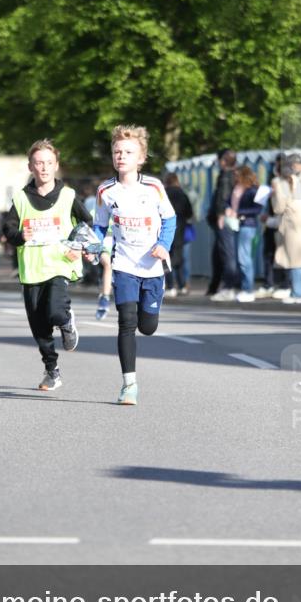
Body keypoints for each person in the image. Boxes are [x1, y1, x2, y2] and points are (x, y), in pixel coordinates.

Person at [93, 125, 176, 406]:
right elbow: (99, 225)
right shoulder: (105, 191)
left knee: (147, 326)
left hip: (152, 267)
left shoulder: (153, 187)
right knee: (126, 322)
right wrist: (94, 247)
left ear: (141, 158)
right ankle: (129, 385)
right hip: (124, 264)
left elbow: (170, 219)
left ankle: (155, 299)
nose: (121, 156)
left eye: (128, 152)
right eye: (117, 151)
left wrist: (163, 245)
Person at [3, 140, 92, 391]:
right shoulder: (21, 198)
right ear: (30, 166)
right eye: (39, 163)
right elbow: (8, 229)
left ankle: (66, 320)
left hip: (60, 263)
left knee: (55, 311)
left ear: (56, 166)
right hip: (32, 269)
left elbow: (86, 224)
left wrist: (79, 246)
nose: (44, 168)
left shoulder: (68, 196)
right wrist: (20, 235)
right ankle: (52, 370)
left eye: (49, 163)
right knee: (39, 325)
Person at [271, 158, 301, 304]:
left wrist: (273, 195)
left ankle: (298, 294)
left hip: (291, 226)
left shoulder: (280, 183)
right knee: (300, 260)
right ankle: (300, 292)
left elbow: (279, 208)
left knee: (294, 262)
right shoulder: (298, 181)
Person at [228, 165, 262, 302]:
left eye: (237, 175)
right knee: (242, 258)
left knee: (245, 258)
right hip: (238, 225)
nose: (235, 177)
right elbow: (228, 202)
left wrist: (238, 212)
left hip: (248, 225)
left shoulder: (252, 190)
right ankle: (244, 288)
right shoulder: (237, 188)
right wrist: (227, 208)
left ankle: (248, 289)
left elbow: (257, 209)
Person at [210, 149, 239, 301]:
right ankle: (216, 286)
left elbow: (223, 197)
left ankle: (229, 287)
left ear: (223, 161)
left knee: (227, 254)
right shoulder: (234, 174)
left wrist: (221, 214)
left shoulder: (226, 177)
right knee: (221, 254)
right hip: (232, 220)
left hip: (225, 221)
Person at [163, 172, 193, 298]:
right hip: (180, 229)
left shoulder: (163, 194)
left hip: (166, 230)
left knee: (166, 258)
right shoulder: (182, 194)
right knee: (179, 258)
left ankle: (170, 286)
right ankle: (182, 286)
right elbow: (189, 213)